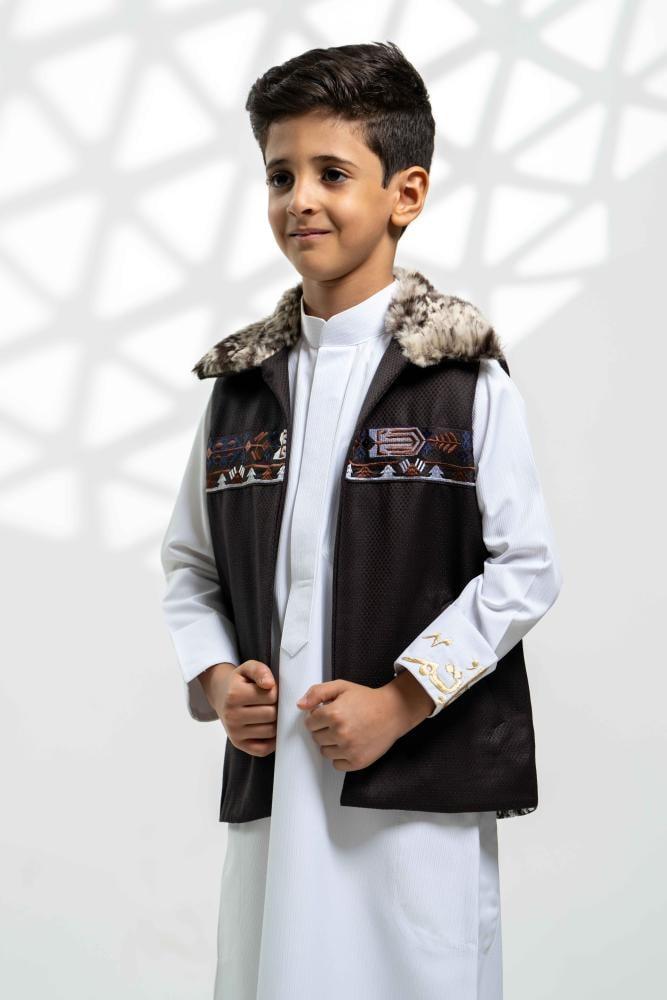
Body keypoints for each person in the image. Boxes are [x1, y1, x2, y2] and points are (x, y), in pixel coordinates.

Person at [159, 41, 563, 1000]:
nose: (300, 199)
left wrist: (402, 700)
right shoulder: (240, 393)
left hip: (414, 794)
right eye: (280, 175)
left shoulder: (460, 381)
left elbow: (525, 569)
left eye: (331, 174)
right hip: (277, 787)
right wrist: (216, 679)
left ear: (404, 193)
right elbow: (189, 566)